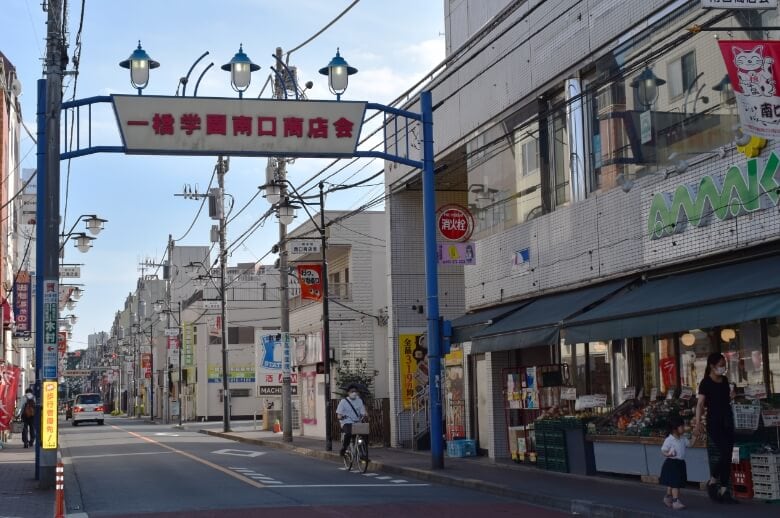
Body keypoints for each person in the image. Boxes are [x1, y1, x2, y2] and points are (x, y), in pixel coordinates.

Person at [694, 352, 738, 504]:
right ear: (712, 366)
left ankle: (724, 490)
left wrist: (731, 396)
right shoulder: (705, 383)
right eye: (721, 365)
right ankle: (713, 480)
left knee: (728, 455)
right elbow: (700, 404)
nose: (723, 368)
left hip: (727, 420)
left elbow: (725, 400)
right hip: (714, 422)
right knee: (724, 452)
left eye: (724, 364)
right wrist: (698, 422)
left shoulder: (725, 380)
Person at [660, 415, 694, 510]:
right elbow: (663, 450)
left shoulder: (683, 438)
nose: (683, 428)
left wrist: (695, 435)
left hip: (680, 463)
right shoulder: (669, 439)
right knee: (676, 483)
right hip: (672, 463)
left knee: (672, 482)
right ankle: (675, 501)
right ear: (675, 429)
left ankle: (667, 497)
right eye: (682, 426)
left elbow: (690, 444)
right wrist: (668, 454)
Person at [336, 384, 366, 457]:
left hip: (357, 422)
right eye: (352, 391)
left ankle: (363, 452)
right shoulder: (343, 402)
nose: (354, 393)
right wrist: (341, 417)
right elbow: (339, 414)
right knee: (348, 434)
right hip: (347, 422)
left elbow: (363, 412)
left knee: (364, 434)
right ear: (348, 393)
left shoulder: (359, 401)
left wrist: (364, 414)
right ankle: (344, 448)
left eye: (355, 391)